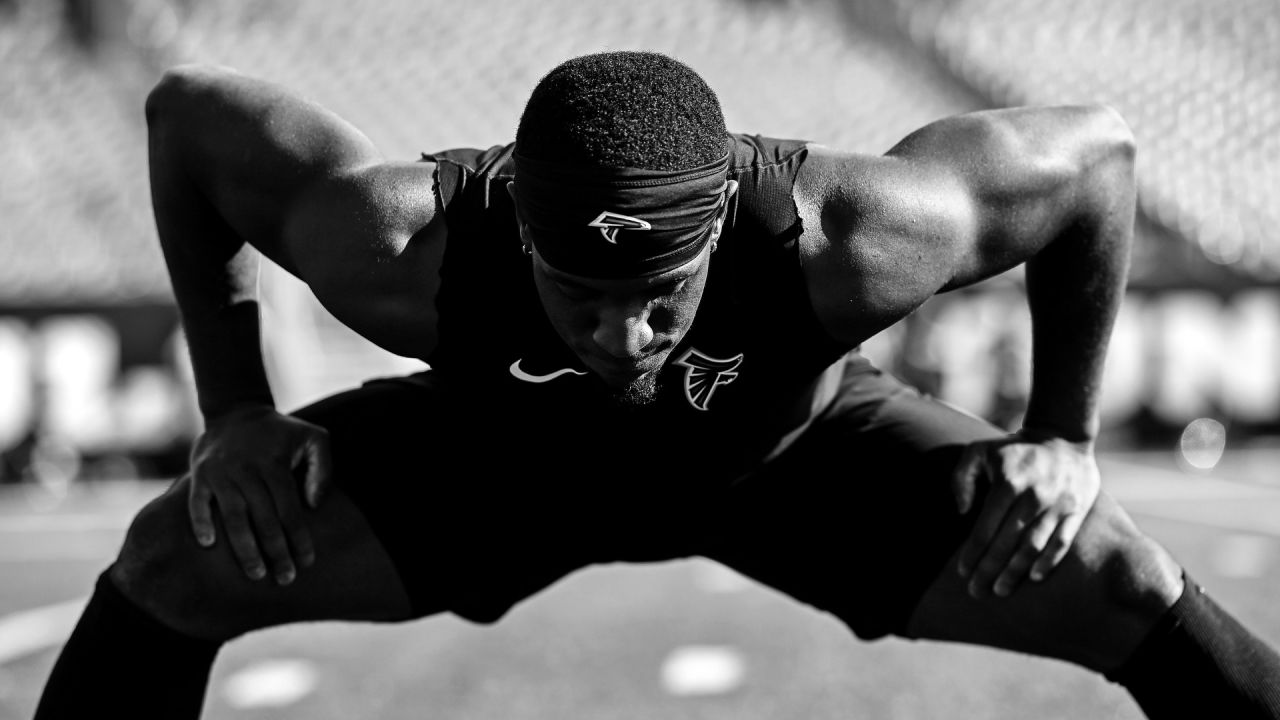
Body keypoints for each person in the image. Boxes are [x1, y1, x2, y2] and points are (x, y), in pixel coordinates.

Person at [33, 50, 1280, 719]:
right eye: (580, 294)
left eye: (661, 299)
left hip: (793, 471)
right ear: (520, 232)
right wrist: (236, 410)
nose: (623, 338)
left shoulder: (856, 237)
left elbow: (1098, 157)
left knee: (1112, 575)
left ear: (718, 235)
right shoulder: (402, 251)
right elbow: (188, 119)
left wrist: (1058, 430)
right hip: (496, 474)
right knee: (174, 562)